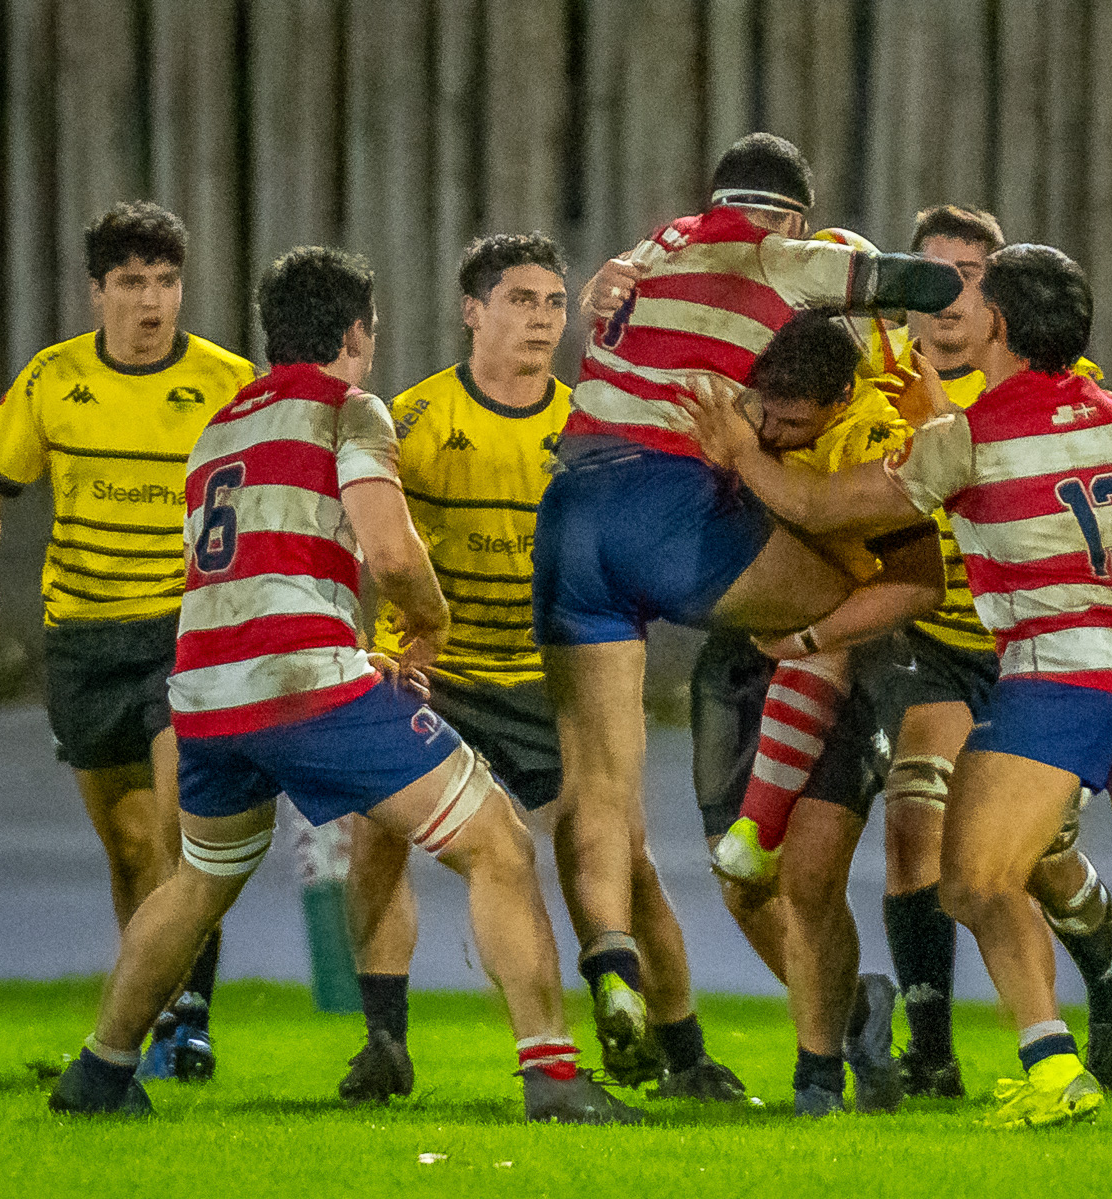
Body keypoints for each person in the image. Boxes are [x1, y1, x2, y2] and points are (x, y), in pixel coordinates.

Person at [686, 243, 1112, 1130]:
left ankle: (1050, 1067)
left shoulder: (972, 438)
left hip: (1059, 675)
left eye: (976, 296)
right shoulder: (1105, 407)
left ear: (997, 323)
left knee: (974, 878)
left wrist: (742, 452)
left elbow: (823, 509)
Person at [47, 246, 639, 1126]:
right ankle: (553, 1075)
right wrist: (428, 624)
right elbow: (392, 549)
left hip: (205, 689)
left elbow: (242, 571)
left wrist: (342, 645)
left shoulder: (222, 426)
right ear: (358, 332)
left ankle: (98, 1071)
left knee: (199, 881)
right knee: (498, 844)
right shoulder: (348, 410)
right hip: (299, 684)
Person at [533, 131, 962, 1064]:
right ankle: (761, 830)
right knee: (864, 587)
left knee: (598, 784)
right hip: (674, 507)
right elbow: (931, 286)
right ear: (793, 217)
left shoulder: (653, 248)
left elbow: (623, 284)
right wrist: (860, 272)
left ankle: (609, 962)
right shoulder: (793, 257)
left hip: (569, 510)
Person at [341, 232, 743, 1101]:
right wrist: (378, 646)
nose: (541, 319)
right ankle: (384, 1042)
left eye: (555, 303)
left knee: (624, 860)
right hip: (439, 679)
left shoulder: (587, 427)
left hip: (549, 683)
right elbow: (363, 542)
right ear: (472, 311)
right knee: (372, 832)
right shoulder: (412, 420)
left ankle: (687, 1055)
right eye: (521, 301)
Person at [0, 201, 251, 1081]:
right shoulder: (52, 379)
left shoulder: (228, 379)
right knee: (127, 850)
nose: (152, 300)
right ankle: (150, 1017)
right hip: (82, 635)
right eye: (132, 283)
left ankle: (189, 1021)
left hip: (185, 629)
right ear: (97, 293)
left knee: (179, 831)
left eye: (166, 281)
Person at [873, 205, 1112, 1099]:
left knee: (1038, 862)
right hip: (944, 642)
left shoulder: (1061, 379)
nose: (948, 294)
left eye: (970, 274)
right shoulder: (874, 381)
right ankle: (932, 1053)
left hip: (1040, 652)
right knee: (914, 820)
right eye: (930, 272)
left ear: (1000, 301)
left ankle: (1109, 987)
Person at [691, 308, 944, 1115]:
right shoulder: (741, 415)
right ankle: (858, 1007)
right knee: (742, 888)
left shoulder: (876, 443)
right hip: (738, 659)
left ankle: (816, 1080)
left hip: (847, 661)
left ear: (839, 401)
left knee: (807, 875)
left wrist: (813, 632)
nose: (773, 430)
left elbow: (920, 581)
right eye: (764, 412)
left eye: (793, 421)